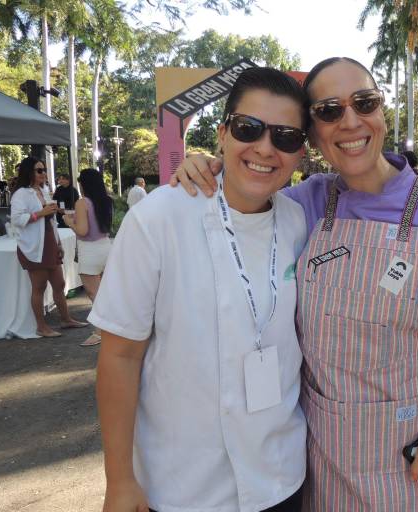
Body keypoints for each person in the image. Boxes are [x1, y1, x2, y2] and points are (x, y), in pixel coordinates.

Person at [173, 57, 418, 511]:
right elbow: (244, 193)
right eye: (328, 110)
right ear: (313, 133)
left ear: (381, 111)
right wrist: (208, 165)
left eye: (363, 102)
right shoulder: (303, 204)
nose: (350, 121)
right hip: (325, 453)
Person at [90, 67, 310, 512]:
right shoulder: (159, 219)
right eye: (250, 128)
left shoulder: (298, 221)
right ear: (223, 133)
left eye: (285, 137)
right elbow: (119, 355)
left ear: (301, 152)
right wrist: (119, 480)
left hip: (282, 477)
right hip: (182, 487)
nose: (265, 148)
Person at [9, 157, 87, 338]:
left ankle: (66, 319)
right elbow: (17, 220)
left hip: (49, 240)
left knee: (59, 283)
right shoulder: (21, 194)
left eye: (44, 170)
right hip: (34, 244)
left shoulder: (43, 190)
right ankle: (41, 326)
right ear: (29, 172)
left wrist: (58, 242)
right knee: (39, 286)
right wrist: (40, 213)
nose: (44, 173)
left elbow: (51, 219)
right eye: (39, 170)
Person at [63, 169, 113, 347]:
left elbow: (82, 231)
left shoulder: (82, 203)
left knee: (95, 294)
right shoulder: (106, 201)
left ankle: (100, 332)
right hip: (106, 247)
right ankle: (110, 328)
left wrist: (69, 222)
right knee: (107, 292)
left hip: (89, 251)